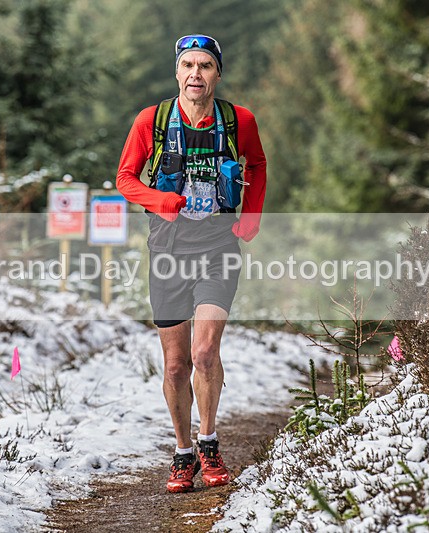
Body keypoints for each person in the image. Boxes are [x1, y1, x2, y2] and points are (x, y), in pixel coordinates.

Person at [116, 34, 267, 493]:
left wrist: (253, 215)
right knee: (177, 365)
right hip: (168, 252)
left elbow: (256, 164)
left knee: (205, 352)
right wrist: (159, 199)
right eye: (188, 65)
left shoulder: (239, 120)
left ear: (218, 73)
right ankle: (182, 454)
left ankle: (209, 442)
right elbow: (124, 177)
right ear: (176, 72)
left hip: (219, 249)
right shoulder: (153, 120)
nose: (196, 74)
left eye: (205, 65)